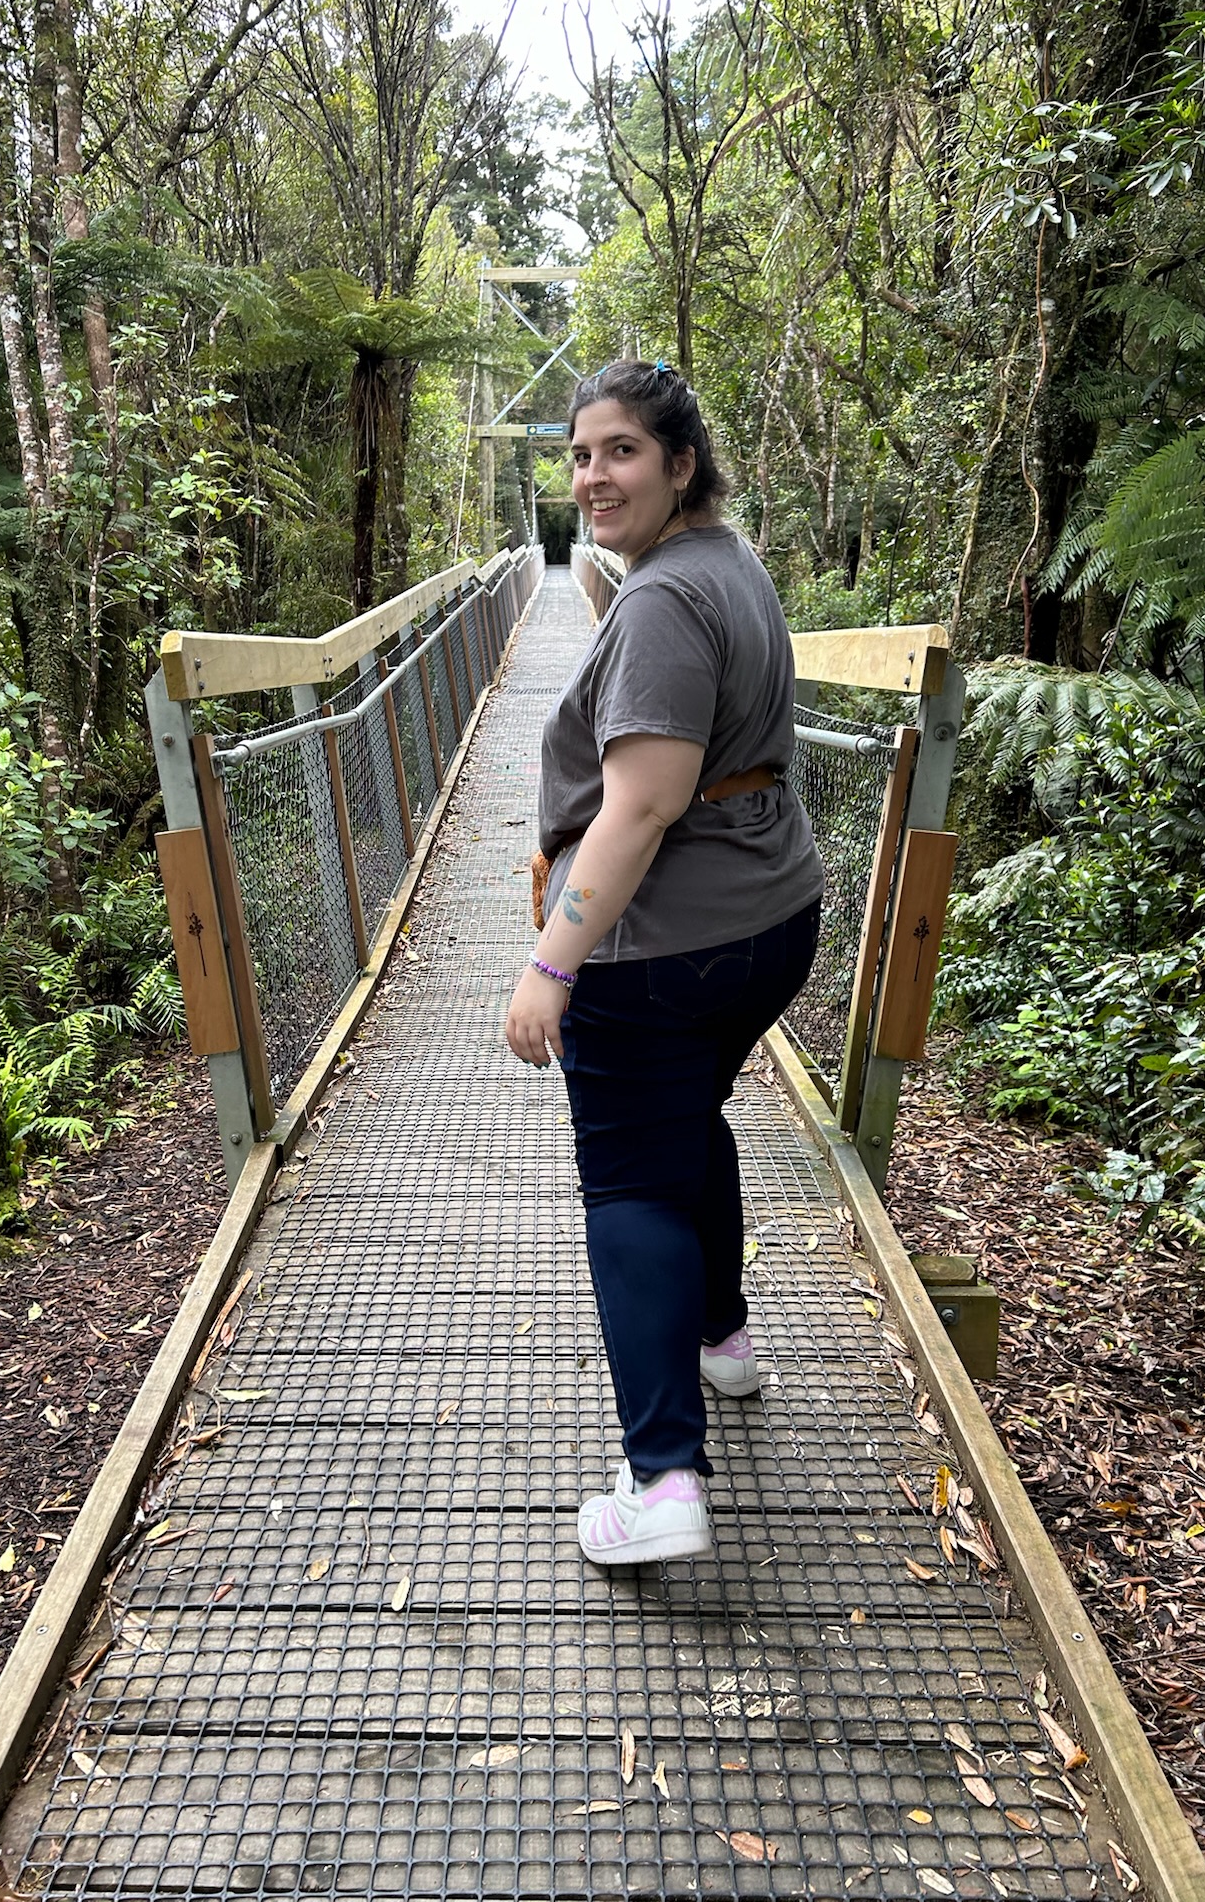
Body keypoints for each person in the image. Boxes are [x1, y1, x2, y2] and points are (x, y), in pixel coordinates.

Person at [504, 359, 824, 1566]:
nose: (593, 475)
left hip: (667, 945)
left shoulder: (654, 603)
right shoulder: (726, 563)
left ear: (680, 462)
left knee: (632, 1177)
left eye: (622, 450)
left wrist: (552, 962)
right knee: (692, 1122)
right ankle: (724, 1338)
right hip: (766, 923)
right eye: (581, 454)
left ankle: (664, 1478)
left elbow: (638, 806)